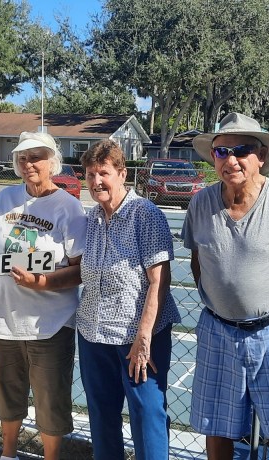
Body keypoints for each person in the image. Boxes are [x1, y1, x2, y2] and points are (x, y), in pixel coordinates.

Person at [182, 113, 269, 460]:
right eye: (222, 151)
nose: (231, 160)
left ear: (260, 156)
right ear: (213, 157)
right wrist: (222, 303)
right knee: (216, 428)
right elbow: (199, 262)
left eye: (241, 150)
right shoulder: (200, 202)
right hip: (218, 331)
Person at [0, 131, 85, 460]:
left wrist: (41, 283)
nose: (29, 164)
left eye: (36, 157)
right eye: (23, 158)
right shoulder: (3, 199)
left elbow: (80, 269)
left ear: (52, 162)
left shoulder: (68, 207)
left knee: (50, 401)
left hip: (49, 324)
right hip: (3, 319)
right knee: (8, 397)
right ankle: (7, 454)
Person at [77, 139, 180, 460]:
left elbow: (159, 281)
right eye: (90, 174)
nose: (96, 181)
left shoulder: (145, 214)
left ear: (122, 174)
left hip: (137, 339)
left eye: (104, 173)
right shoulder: (92, 217)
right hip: (93, 334)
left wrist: (143, 339)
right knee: (102, 415)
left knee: (147, 414)